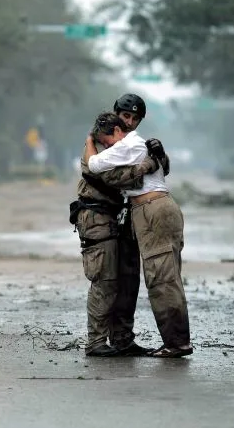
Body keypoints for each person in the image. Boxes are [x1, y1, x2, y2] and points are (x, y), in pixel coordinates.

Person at [83, 112, 193, 358]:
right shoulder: (140, 146)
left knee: (162, 279)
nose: (106, 147)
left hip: (152, 210)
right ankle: (170, 341)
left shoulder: (127, 144)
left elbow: (95, 167)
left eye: (106, 141)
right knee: (160, 277)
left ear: (116, 132)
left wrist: (90, 142)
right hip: (149, 212)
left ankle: (177, 343)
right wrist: (152, 163)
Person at [71, 101, 169, 358]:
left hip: (123, 217)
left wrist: (160, 155)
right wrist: (147, 165)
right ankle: (96, 342)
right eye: (125, 116)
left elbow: (160, 172)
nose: (129, 122)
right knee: (104, 280)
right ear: (115, 118)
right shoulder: (97, 141)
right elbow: (101, 175)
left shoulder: (131, 143)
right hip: (97, 215)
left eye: (135, 119)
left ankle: (123, 339)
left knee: (127, 282)